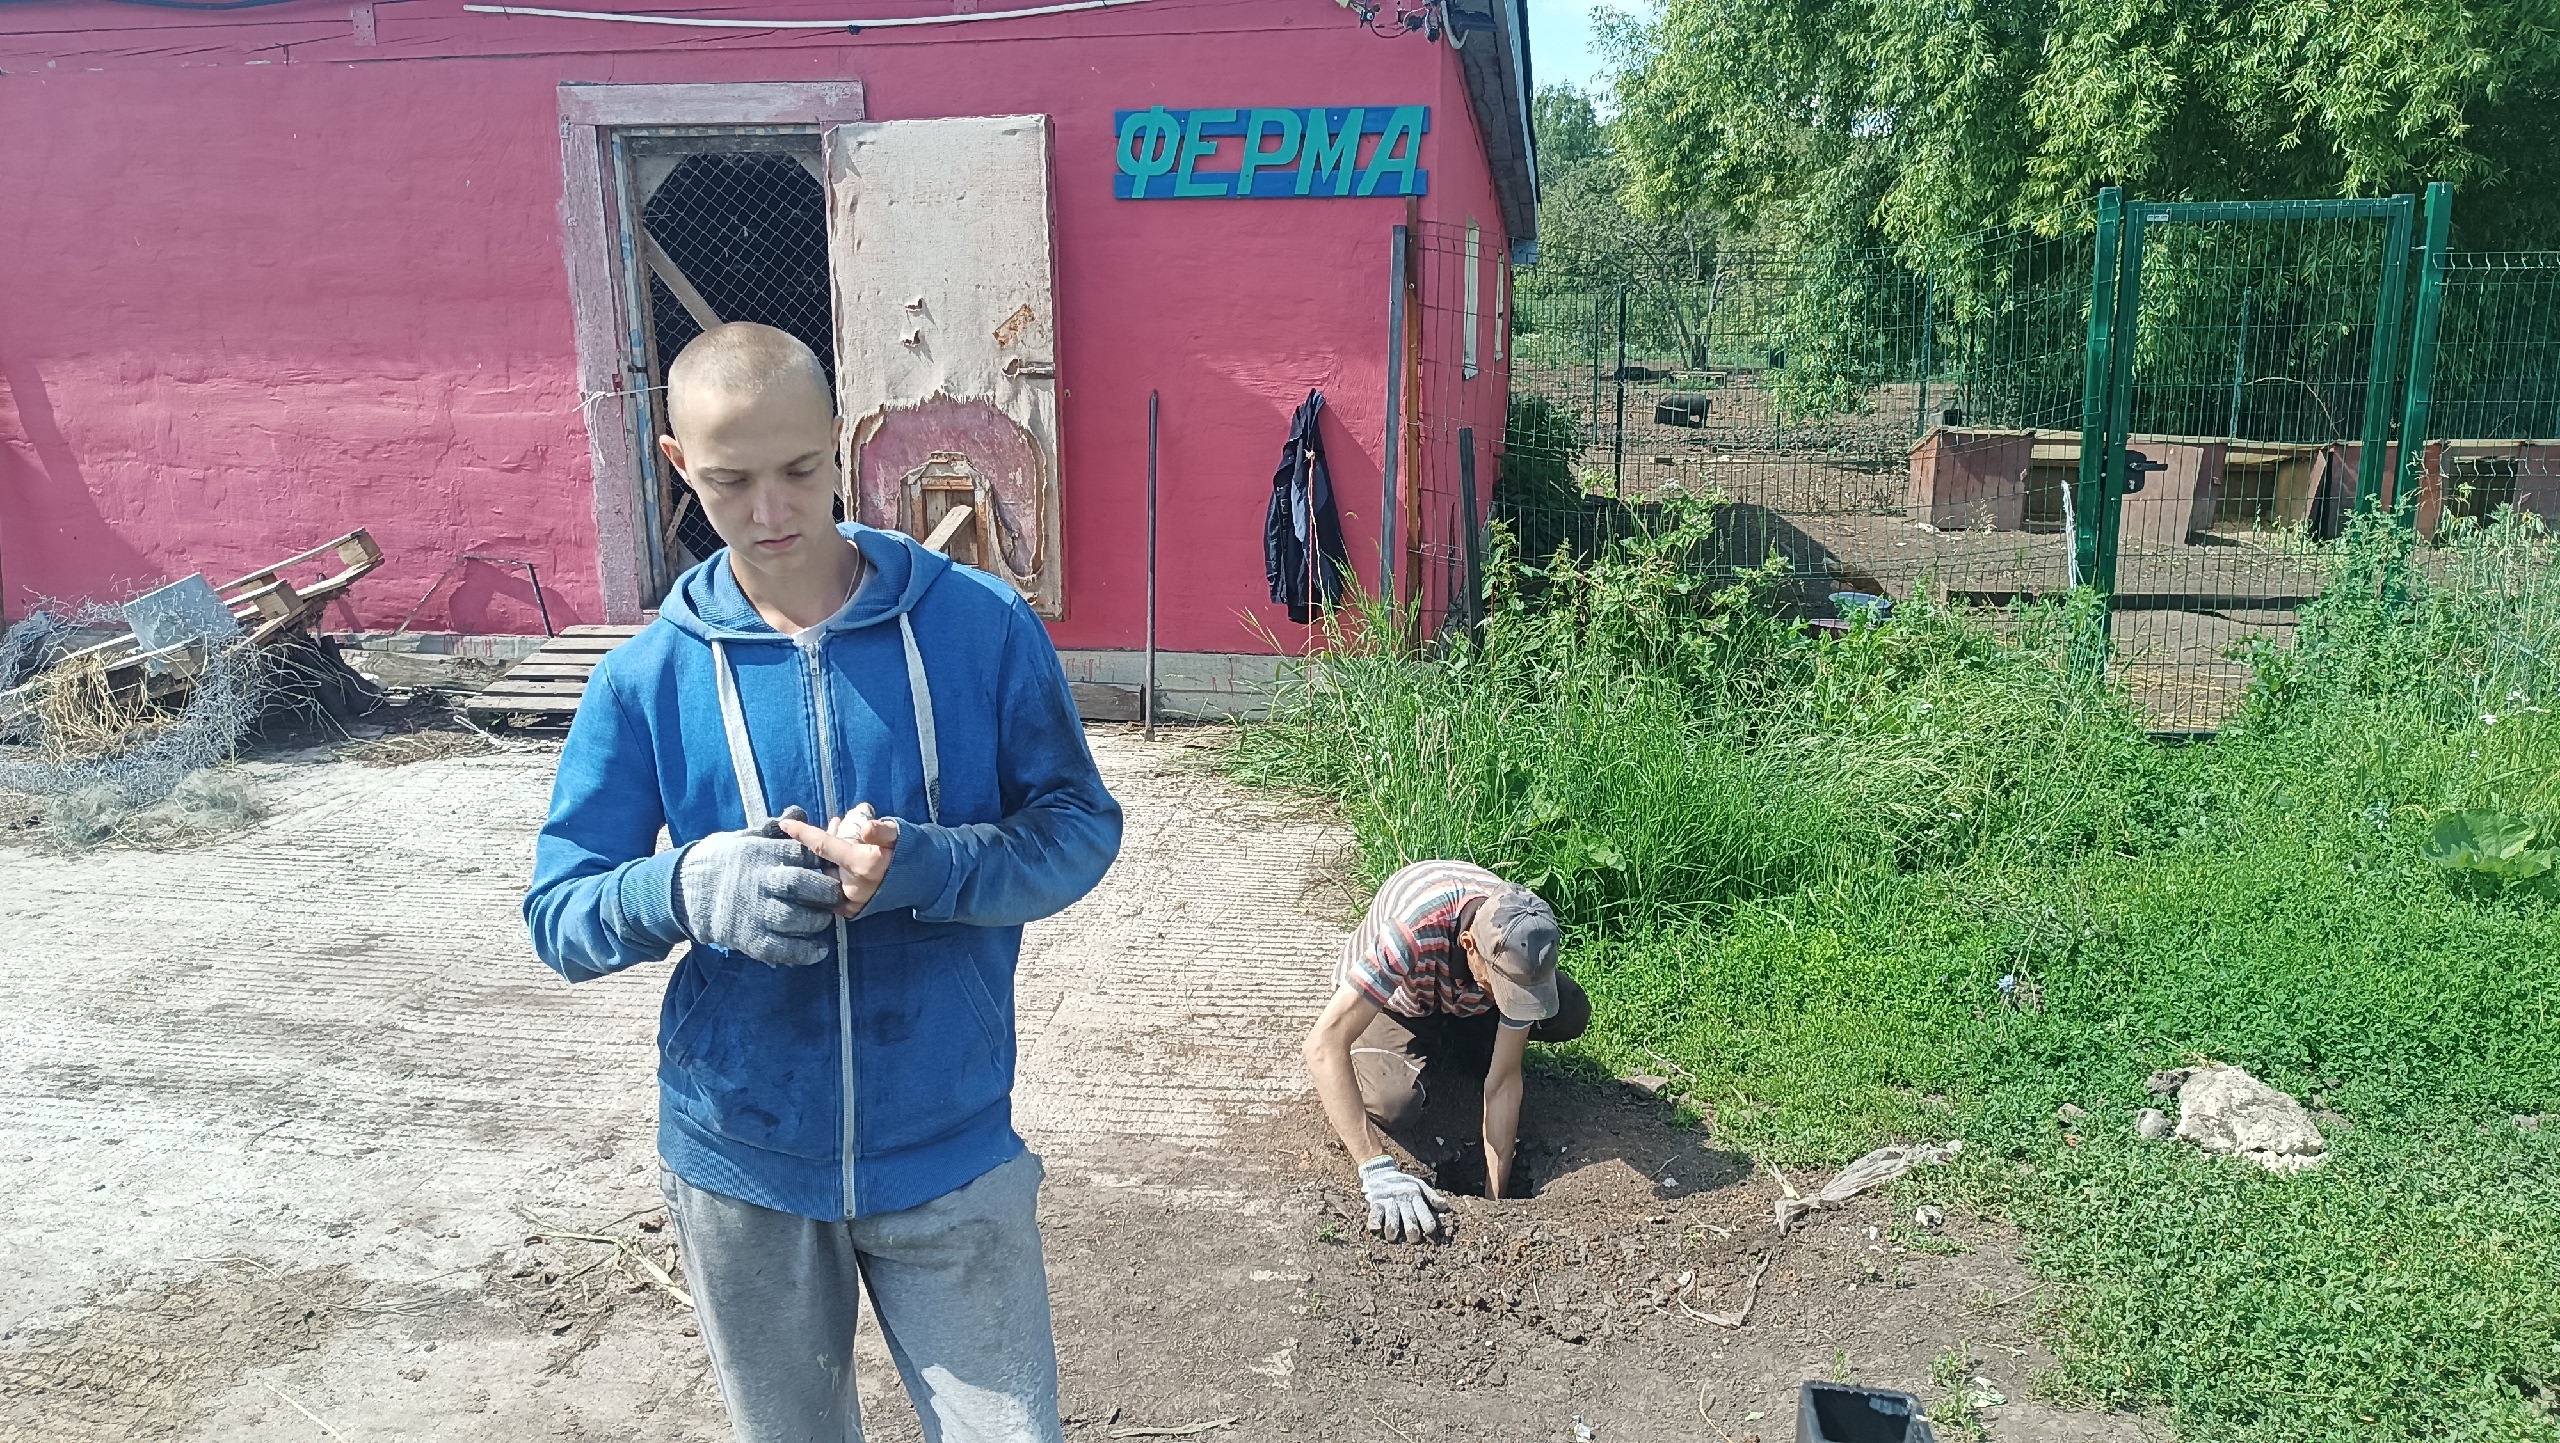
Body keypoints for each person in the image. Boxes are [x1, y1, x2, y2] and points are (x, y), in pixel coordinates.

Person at [522, 322, 1121, 1443]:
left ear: (842, 441)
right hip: (738, 1158)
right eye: (728, 481)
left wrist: (924, 864)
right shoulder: (645, 678)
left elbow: (1079, 830)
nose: (771, 511)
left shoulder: (979, 628)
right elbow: (559, 914)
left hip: (949, 1144)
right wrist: (683, 888)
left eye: (800, 469)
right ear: (674, 464)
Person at [1299, 860, 1589, 1241]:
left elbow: (1503, 1083)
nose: (1513, 999)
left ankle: (1461, 1033)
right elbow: (1322, 1045)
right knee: (1394, 1102)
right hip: (1398, 1000)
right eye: (1505, 988)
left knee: (1569, 1009)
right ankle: (1416, 1042)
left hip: (1462, 995)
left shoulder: (1518, 943)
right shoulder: (1411, 932)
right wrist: (1375, 1168)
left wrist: (1495, 1205)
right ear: (1470, 946)